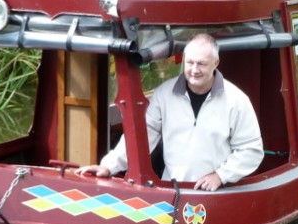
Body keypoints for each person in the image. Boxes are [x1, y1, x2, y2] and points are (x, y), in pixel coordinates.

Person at [76, 33, 264, 191]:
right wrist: (108, 166)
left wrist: (220, 176)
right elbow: (142, 136)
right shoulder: (164, 94)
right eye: (190, 63)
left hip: (216, 193)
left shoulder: (236, 100)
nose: (194, 70)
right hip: (172, 191)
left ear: (216, 63)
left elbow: (251, 150)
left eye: (202, 64)